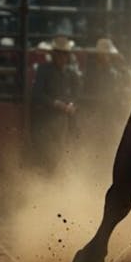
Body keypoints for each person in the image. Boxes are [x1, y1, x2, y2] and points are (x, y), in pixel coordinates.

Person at [30, 35, 82, 172]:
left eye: (64, 54)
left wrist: (72, 104)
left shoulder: (70, 72)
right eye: (59, 54)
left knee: (60, 153)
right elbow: (36, 94)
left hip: (62, 120)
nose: (62, 57)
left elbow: (77, 93)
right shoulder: (44, 70)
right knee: (49, 155)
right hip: (46, 120)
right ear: (54, 54)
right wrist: (55, 103)